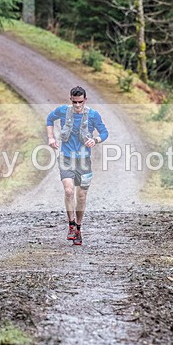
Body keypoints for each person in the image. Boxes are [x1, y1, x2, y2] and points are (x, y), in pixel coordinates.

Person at [46, 86, 109, 246]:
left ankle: (79, 229)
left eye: (80, 102)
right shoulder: (63, 111)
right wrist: (51, 138)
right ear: (71, 100)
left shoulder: (93, 115)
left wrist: (95, 140)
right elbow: (49, 119)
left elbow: (104, 132)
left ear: (85, 100)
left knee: (81, 196)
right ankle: (71, 225)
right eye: (74, 102)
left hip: (84, 161)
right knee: (68, 191)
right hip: (66, 158)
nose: (77, 106)